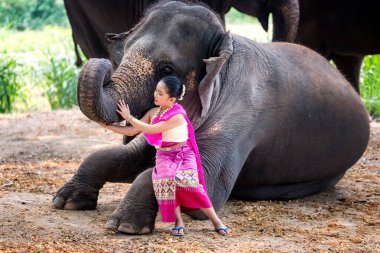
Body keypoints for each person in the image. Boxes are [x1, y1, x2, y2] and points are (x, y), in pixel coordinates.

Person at [97, 76, 232, 236]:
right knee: (166, 185)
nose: (155, 95)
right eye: (156, 91)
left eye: (160, 93)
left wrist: (128, 117)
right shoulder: (154, 112)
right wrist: (107, 125)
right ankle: (178, 221)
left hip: (183, 155)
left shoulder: (177, 116)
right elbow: (133, 131)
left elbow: (151, 130)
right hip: (163, 156)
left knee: (193, 187)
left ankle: (216, 221)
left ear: (172, 99)